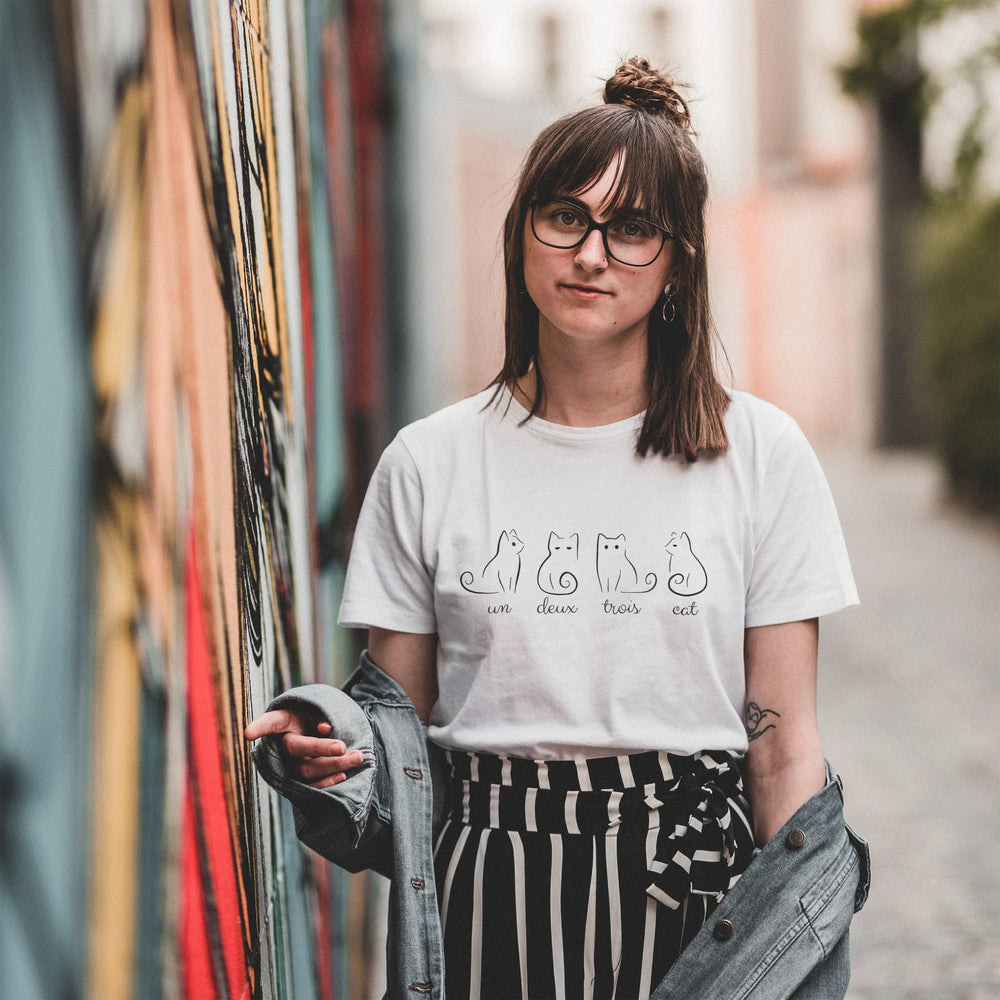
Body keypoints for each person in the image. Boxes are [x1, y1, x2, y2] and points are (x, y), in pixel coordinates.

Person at [245, 57, 867, 1000]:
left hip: (698, 897)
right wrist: (328, 743)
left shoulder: (762, 455)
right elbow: (395, 732)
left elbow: (782, 748)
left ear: (678, 262)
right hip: (485, 894)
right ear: (523, 234)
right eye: (566, 217)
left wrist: (801, 950)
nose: (591, 254)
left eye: (633, 230)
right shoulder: (430, 462)